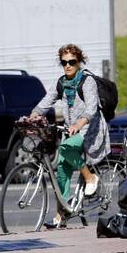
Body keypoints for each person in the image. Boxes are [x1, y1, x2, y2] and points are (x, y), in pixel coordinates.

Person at [30, 44, 109, 227]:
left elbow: (91, 109)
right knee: (62, 172)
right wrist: (33, 115)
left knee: (65, 148)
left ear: (79, 62)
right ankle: (61, 216)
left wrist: (78, 123)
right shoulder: (61, 83)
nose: (67, 66)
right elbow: (46, 101)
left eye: (72, 62)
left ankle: (90, 178)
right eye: (64, 62)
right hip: (71, 130)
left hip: (90, 130)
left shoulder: (87, 81)